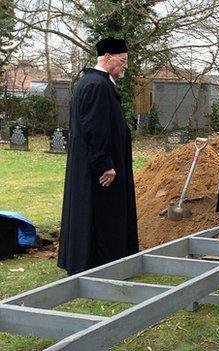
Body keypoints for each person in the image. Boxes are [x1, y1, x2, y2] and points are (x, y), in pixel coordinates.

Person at [58, 37, 138, 275]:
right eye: (122, 61)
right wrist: (105, 164)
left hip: (95, 164)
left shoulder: (96, 82)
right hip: (98, 169)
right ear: (108, 57)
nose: (125, 66)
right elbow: (94, 128)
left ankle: (97, 261)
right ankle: (98, 262)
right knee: (99, 213)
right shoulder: (96, 85)